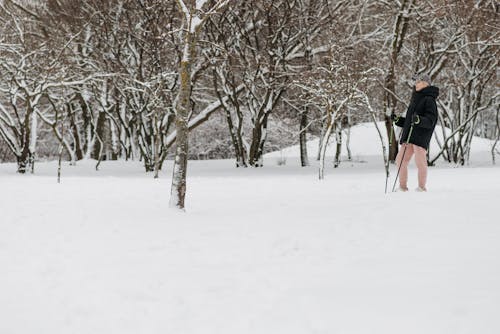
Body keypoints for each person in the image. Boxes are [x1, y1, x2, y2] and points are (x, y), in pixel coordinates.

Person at [391, 74, 439, 192]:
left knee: (420, 162)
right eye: (415, 81)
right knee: (400, 160)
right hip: (409, 136)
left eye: (418, 81)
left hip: (420, 137)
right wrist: (398, 120)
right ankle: (402, 187)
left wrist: (419, 120)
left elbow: (431, 120)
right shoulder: (416, 99)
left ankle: (422, 187)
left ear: (425, 83)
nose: (415, 83)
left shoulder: (429, 100)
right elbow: (409, 121)